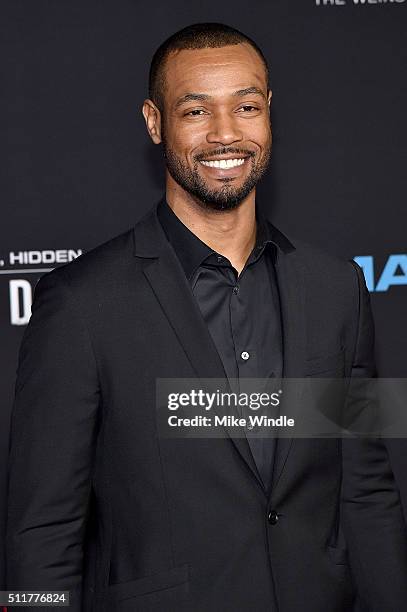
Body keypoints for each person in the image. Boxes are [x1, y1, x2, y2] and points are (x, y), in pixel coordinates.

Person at [6, 22, 407, 612]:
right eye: (196, 112)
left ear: (269, 111)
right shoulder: (80, 302)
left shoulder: (336, 287)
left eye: (246, 107)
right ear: (154, 121)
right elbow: (41, 529)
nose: (226, 134)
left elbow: (367, 491)